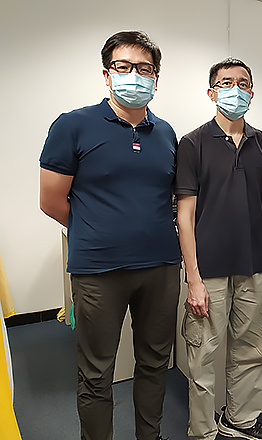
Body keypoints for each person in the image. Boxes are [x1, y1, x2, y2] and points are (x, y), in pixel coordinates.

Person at [39, 31, 180, 440]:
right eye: (124, 67)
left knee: (155, 363)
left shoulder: (167, 133)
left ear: (156, 77)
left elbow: (167, 198)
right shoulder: (73, 125)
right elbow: (51, 201)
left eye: (145, 69)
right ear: (107, 74)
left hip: (160, 267)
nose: (135, 75)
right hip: (99, 271)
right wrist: (100, 228)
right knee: (97, 372)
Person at [175, 58, 262, 440]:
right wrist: (194, 279)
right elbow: (184, 217)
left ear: (251, 93)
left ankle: (239, 420)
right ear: (211, 92)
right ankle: (202, 431)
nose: (234, 89)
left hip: (254, 266)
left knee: (251, 349)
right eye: (226, 83)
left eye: (242, 83)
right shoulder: (193, 143)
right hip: (210, 271)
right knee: (203, 355)